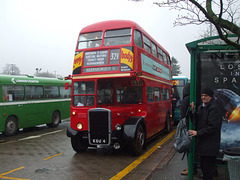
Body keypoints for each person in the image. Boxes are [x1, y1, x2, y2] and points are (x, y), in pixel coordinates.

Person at [188, 88, 222, 180]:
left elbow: (213, 127)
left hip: (210, 145)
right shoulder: (202, 107)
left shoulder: (214, 108)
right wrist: (192, 112)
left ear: (210, 97)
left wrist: (198, 133)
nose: (203, 97)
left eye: (206, 95)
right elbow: (196, 121)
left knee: (208, 169)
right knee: (204, 168)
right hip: (203, 144)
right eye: (202, 95)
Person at [179, 83, 190, 175]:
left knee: (187, 146)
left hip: (187, 127)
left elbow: (183, 114)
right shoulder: (192, 97)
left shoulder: (186, 99)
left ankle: (191, 168)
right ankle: (190, 167)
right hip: (190, 126)